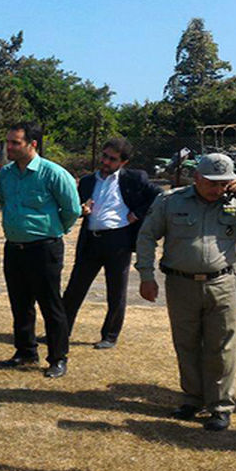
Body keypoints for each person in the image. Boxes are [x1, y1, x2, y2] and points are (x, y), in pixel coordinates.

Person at [135, 153, 236, 431]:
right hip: (181, 284)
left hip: (221, 284)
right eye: (211, 182)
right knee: (186, 343)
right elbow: (147, 236)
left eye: (224, 183)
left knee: (221, 347)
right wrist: (146, 276)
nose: (217, 189)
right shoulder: (170, 201)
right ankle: (192, 399)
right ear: (196, 178)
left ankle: (220, 406)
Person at [0, 121, 81, 378]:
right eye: (8, 142)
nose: (9, 147)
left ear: (32, 144)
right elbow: (4, 203)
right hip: (14, 248)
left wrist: (52, 231)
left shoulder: (54, 173)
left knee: (50, 304)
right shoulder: (6, 174)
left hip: (44, 249)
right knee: (20, 303)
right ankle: (25, 351)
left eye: (15, 143)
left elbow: (72, 210)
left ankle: (58, 357)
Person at [61, 137, 161, 350]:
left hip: (119, 242)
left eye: (112, 159)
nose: (106, 161)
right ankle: (60, 331)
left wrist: (138, 213)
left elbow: (159, 196)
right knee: (74, 289)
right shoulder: (88, 181)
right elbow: (76, 205)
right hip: (90, 240)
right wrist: (82, 209)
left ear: (123, 162)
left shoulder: (134, 179)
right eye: (104, 156)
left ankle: (110, 335)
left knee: (116, 292)